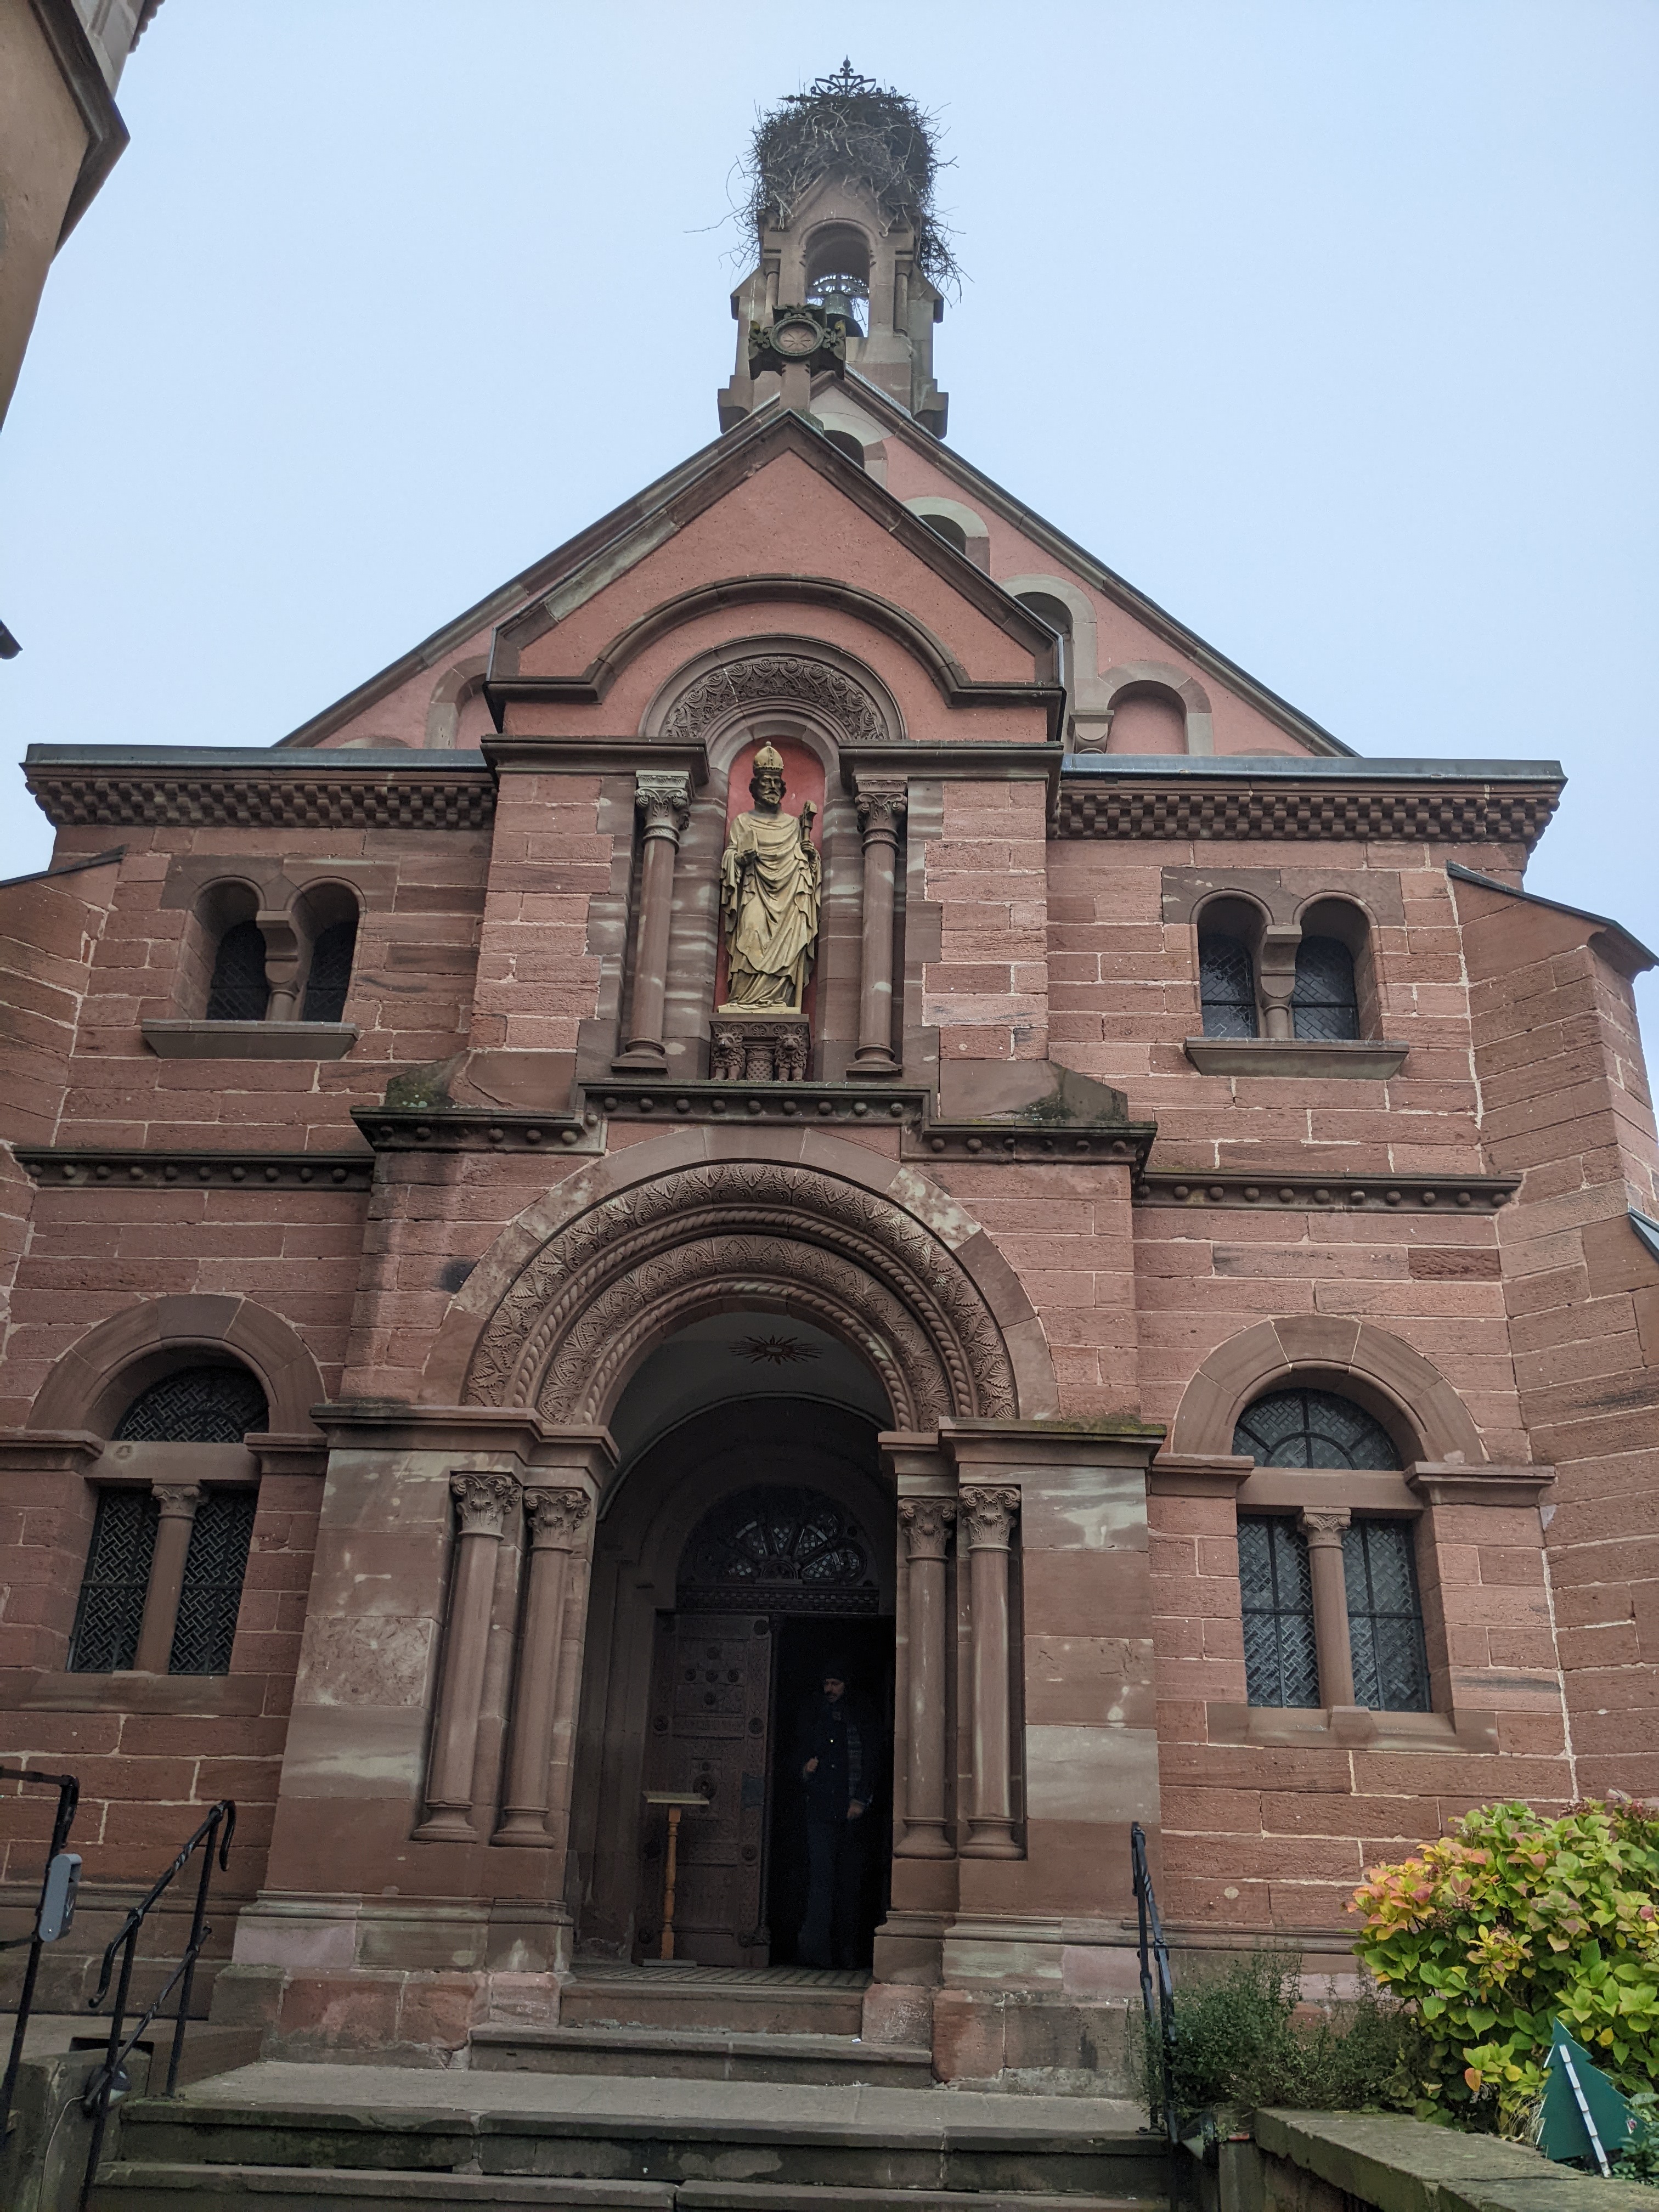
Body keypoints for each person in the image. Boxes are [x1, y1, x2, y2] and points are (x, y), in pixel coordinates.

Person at [793, 1663, 876, 1969]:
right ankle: (816, 1954)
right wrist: (805, 1769)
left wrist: (860, 1800)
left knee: (849, 1883)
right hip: (820, 1809)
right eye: (826, 1683)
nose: (830, 1690)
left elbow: (870, 1760)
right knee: (821, 1881)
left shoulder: (859, 1717)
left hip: (851, 1813)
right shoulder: (815, 1716)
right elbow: (799, 1753)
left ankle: (848, 1953)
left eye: (835, 1684)